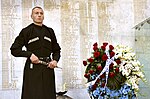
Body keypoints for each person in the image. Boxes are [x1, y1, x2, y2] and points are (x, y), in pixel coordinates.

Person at [10, 6, 61, 99]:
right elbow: (14, 50)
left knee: (48, 95)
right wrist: (29, 54)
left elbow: (56, 50)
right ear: (31, 16)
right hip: (32, 69)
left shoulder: (50, 31)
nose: (39, 15)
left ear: (43, 16)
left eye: (41, 13)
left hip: (48, 68)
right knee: (33, 95)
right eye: (36, 13)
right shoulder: (26, 31)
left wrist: (55, 61)